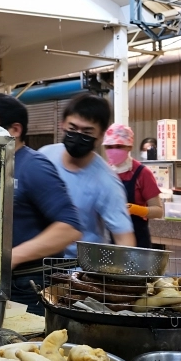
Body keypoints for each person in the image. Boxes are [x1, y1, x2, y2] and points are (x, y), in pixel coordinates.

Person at [0, 94, 82, 315]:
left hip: (30, 286)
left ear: (14, 130)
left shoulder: (34, 166)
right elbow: (6, 213)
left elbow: (70, 228)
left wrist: (9, 258)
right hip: (1, 281)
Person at [39, 93, 135, 257]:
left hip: (77, 270)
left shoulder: (107, 182)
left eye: (87, 132)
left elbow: (124, 239)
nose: (78, 136)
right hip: (36, 259)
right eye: (73, 128)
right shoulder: (44, 156)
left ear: (100, 135)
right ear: (62, 124)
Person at [104, 124, 163, 248]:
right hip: (110, 241)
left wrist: (134, 209)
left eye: (119, 146)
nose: (113, 150)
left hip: (138, 243)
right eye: (109, 147)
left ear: (129, 146)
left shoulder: (142, 173)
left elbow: (158, 211)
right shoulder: (104, 171)